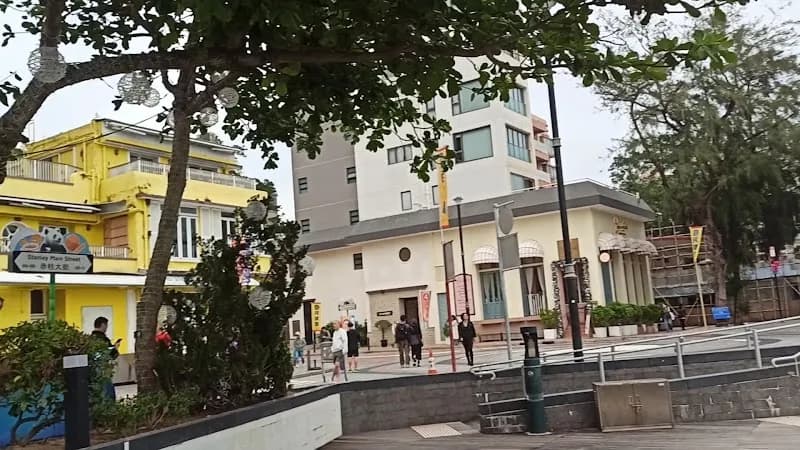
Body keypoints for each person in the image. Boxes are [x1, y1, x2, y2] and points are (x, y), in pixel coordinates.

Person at [91, 316, 120, 400]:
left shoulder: (90, 338)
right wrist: (116, 347)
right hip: (103, 368)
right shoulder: (104, 339)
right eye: (106, 325)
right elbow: (112, 355)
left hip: (93, 368)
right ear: (103, 325)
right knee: (108, 392)